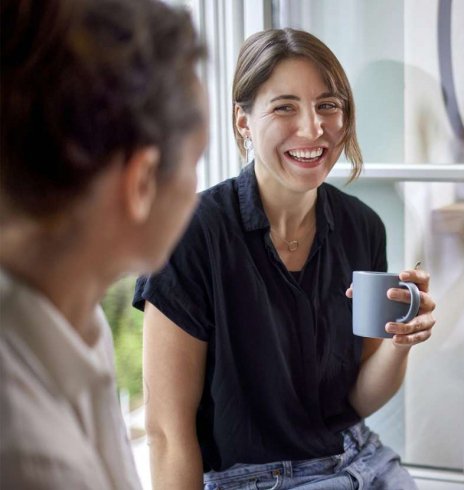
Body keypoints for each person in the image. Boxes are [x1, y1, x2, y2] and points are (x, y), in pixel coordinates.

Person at [134, 28, 436, 489]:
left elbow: (357, 401)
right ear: (243, 121)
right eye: (284, 107)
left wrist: (401, 339)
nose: (313, 129)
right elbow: (167, 436)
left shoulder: (362, 226)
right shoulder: (189, 234)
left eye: (327, 105)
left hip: (363, 461)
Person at [0, 0, 208, 488]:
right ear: (141, 183)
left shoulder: (75, 324)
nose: (198, 188)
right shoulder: (34, 459)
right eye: (196, 160)